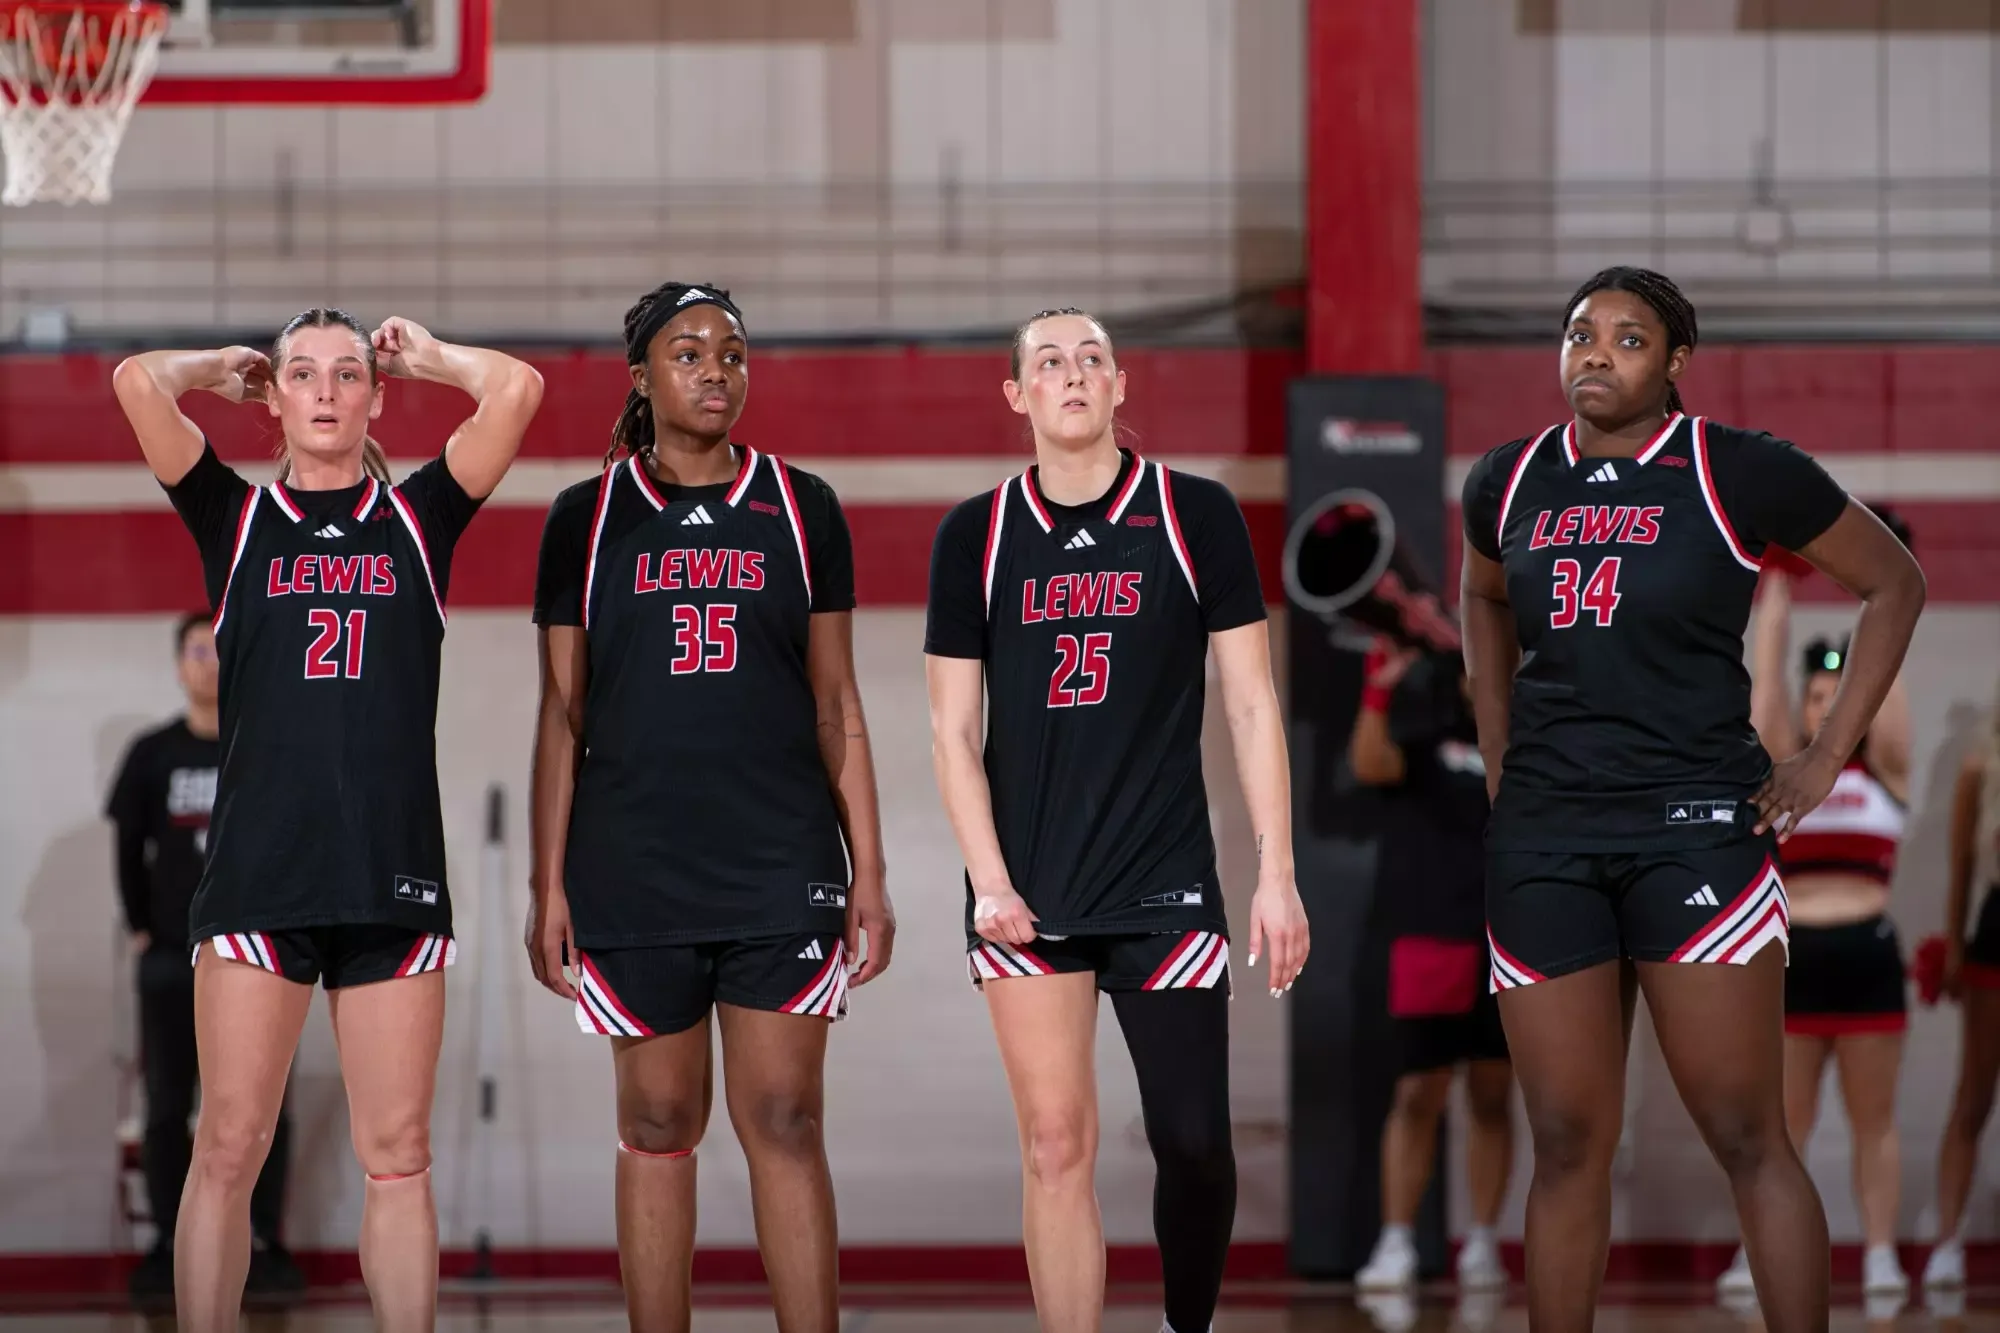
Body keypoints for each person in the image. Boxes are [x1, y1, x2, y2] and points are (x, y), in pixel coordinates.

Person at [1459, 266, 1926, 1333]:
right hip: (1542, 837)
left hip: (1692, 829)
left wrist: (1818, 755)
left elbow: (1892, 581)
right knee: (1568, 1139)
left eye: (1626, 339)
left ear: (1673, 364)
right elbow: (1481, 595)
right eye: (1578, 333)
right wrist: (1497, 750)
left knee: (1743, 1129)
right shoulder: (1506, 479)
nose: (1592, 352)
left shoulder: (1736, 470)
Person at [111, 309, 544, 1333]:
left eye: (346, 374)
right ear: (276, 398)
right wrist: (218, 368)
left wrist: (432, 357)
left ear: (372, 398)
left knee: (397, 1154)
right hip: (262, 874)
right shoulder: (234, 518)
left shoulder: (421, 521)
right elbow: (136, 382)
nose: (321, 391)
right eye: (300, 373)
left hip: (390, 872)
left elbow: (517, 391)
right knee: (227, 1144)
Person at [925, 307, 1310, 1333]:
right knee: (1054, 1144)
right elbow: (950, 732)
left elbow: (1247, 703)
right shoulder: (977, 533)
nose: (1071, 373)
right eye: (1047, 362)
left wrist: (1275, 872)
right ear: (1017, 396)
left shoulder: (1195, 514)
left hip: (1163, 877)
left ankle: (1188, 1326)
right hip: (1027, 885)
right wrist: (989, 880)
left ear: (1119, 384)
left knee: (1191, 1139)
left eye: (1090, 357)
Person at [526, 282, 892, 1333]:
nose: (714, 371)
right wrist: (544, 884)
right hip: (630, 861)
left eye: (731, 353)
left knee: (782, 1114)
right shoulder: (583, 518)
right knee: (656, 1117)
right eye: (687, 353)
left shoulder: (801, 503)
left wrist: (868, 867)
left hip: (779, 855)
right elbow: (561, 713)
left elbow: (835, 699)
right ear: (639, 376)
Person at [1714, 568, 1914, 1301]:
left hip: (1866, 955)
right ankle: (1752, 1252)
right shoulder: (1778, 774)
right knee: (1773, 1126)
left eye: (1841, 699)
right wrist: (1774, 583)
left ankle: (1883, 1254)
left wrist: (1874, 584)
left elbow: (1886, 675)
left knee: (1875, 1121)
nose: (1829, 710)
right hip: (1794, 958)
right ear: (1805, 706)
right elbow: (1764, 681)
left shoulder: (1885, 770)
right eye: (1819, 698)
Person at [108, 614, 304, 1306]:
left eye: (217, 649)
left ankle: (263, 1243)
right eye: (196, 650)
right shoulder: (151, 753)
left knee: (262, 1107)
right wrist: (141, 927)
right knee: (169, 1102)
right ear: (178, 663)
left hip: (255, 951)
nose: (208, 663)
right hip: (170, 956)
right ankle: (166, 1243)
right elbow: (129, 847)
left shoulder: (263, 746)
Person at [1349, 640, 1513, 1293]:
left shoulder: (1524, 743)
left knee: (1494, 1097)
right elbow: (1369, 763)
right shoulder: (1425, 734)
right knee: (1418, 1093)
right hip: (1429, 936)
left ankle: (1482, 1241)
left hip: (1505, 938)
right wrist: (1378, 688)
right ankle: (1395, 1242)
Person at [1924, 677, 2000, 1290]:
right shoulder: (1982, 765)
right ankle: (1947, 1244)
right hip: (1996, 930)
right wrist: (1952, 945)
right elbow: (1961, 868)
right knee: (1974, 1092)